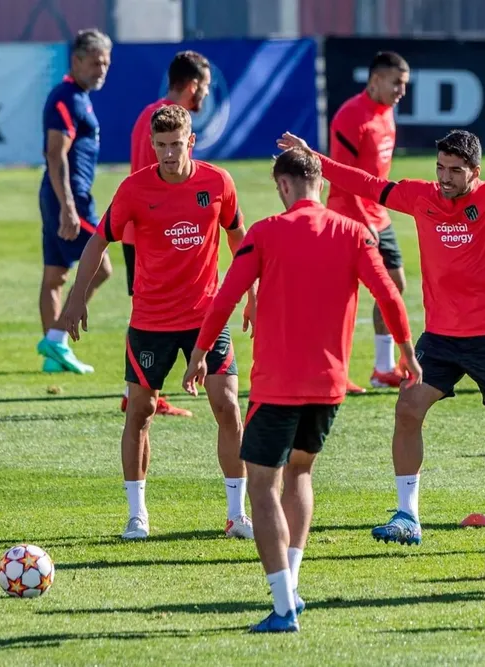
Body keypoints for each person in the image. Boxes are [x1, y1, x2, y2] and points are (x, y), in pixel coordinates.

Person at [277, 119, 485, 554]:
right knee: (407, 409)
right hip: (441, 338)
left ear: (475, 173)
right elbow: (368, 184)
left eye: (455, 171)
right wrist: (318, 160)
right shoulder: (420, 195)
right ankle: (407, 516)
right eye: (440, 168)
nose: (444, 178)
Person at [181, 147, 420, 633]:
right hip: (330, 386)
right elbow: (389, 295)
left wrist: (200, 351)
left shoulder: (267, 233)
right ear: (318, 183)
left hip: (277, 385)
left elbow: (227, 294)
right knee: (301, 473)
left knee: (264, 486)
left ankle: (284, 605)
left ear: (284, 186)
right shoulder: (354, 232)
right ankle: (292, 582)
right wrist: (407, 352)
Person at [60, 105, 254, 541]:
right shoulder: (134, 189)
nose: (169, 154)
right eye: (161, 145)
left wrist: (251, 297)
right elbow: (98, 241)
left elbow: (241, 239)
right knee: (141, 412)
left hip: (207, 316)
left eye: (176, 144)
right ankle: (137, 515)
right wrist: (76, 299)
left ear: (191, 141)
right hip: (151, 320)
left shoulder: (218, 182)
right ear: (153, 144)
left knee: (228, 407)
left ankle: (236, 515)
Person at [119, 50, 213, 418]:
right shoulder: (165, 122)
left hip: (146, 232)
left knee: (149, 313)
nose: (205, 93)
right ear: (191, 85)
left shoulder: (152, 115)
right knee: (150, 315)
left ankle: (140, 391)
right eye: (203, 86)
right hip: (151, 234)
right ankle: (141, 391)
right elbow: (151, 184)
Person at [327, 51, 411, 393]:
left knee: (395, 285)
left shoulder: (387, 111)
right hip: (348, 215)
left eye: (404, 84)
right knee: (342, 297)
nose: (401, 91)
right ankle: (334, 372)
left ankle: (382, 368)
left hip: (378, 215)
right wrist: (364, 222)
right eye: (397, 83)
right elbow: (344, 178)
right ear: (375, 80)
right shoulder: (351, 116)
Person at [37, 29, 113, 375]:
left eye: (106, 63)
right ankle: (56, 338)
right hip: (70, 197)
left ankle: (55, 356)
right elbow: (56, 154)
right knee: (101, 268)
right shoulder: (66, 97)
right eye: (96, 62)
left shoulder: (78, 96)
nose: (102, 69)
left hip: (62, 195)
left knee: (55, 275)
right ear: (77, 60)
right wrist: (68, 207)